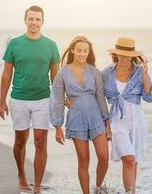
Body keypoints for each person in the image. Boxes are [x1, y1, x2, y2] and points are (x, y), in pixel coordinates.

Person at [0, 5, 60, 193]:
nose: (34, 22)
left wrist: (59, 103)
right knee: (20, 140)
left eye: (37, 19)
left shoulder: (51, 45)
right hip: (19, 99)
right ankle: (22, 176)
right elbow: (7, 74)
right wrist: (2, 101)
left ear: (43, 22)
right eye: (31, 19)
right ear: (25, 20)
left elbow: (56, 78)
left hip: (42, 99)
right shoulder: (15, 44)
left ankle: (38, 186)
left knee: (41, 141)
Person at [50, 36, 111, 194]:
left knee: (104, 156)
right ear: (72, 51)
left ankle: (98, 187)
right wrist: (57, 126)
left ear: (89, 52)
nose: (82, 54)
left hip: (96, 116)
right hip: (76, 118)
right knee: (84, 161)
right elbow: (57, 100)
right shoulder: (63, 73)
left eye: (85, 51)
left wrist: (107, 121)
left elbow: (100, 97)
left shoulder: (94, 72)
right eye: (79, 50)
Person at [102, 37, 152, 194]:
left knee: (134, 161)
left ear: (132, 55)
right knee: (128, 158)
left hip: (137, 119)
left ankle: (131, 192)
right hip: (117, 120)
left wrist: (145, 75)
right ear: (116, 54)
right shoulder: (107, 73)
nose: (124, 58)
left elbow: (150, 97)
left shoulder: (140, 71)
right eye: (121, 54)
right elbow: (96, 94)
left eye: (128, 54)